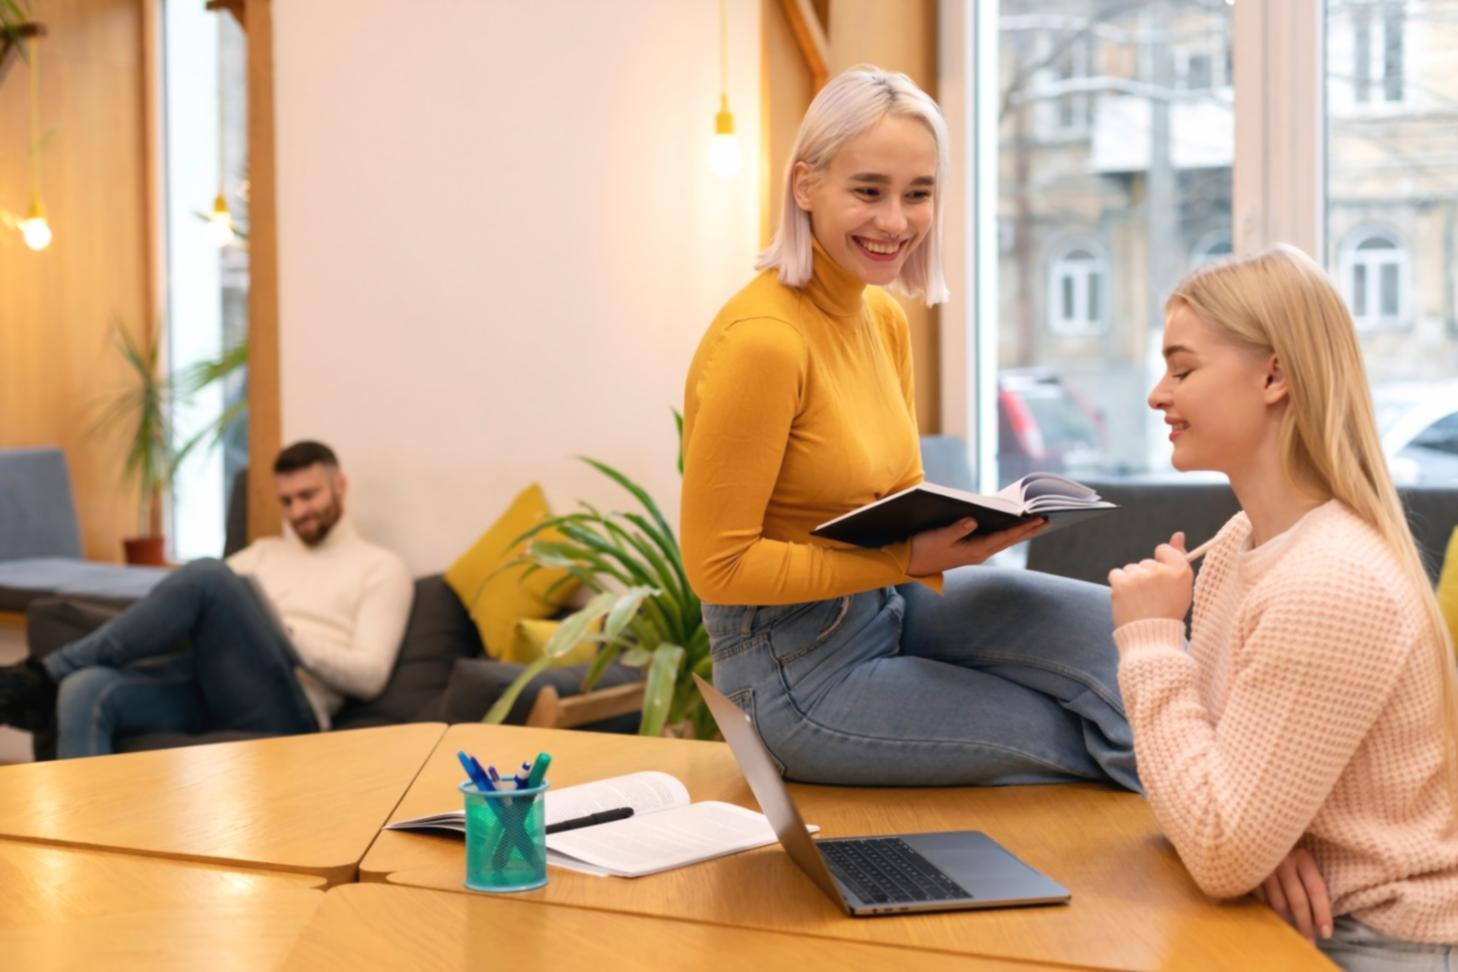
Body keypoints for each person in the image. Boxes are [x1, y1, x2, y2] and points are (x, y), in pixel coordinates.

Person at [680, 65, 1137, 790]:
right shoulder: (762, 342)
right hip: (795, 673)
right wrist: (905, 560)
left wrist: (968, 530)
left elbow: (891, 494)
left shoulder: (880, 317)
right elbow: (719, 568)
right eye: (868, 191)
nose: (895, 221)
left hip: (891, 604)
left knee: (1133, 640)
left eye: (917, 194)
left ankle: (1256, 823)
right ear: (805, 186)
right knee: (1071, 740)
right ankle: (1210, 869)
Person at [1108, 245, 1458, 968]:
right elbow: (1208, 801)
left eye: (1182, 369)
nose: (1157, 395)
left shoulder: (1330, 581)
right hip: (1303, 917)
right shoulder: (1242, 542)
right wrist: (1264, 840)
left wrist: (1149, 642)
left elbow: (1214, 841)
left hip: (1376, 943)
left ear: (1274, 376)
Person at [0, 440, 414, 758]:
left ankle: (44, 673)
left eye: (309, 496)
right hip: (212, 682)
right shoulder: (264, 552)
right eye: (287, 501)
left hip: (288, 706)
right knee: (86, 688)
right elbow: (189, 604)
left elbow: (371, 675)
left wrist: (286, 637)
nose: (298, 511)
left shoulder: (380, 567)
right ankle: (80, 844)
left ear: (339, 486)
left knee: (208, 573)